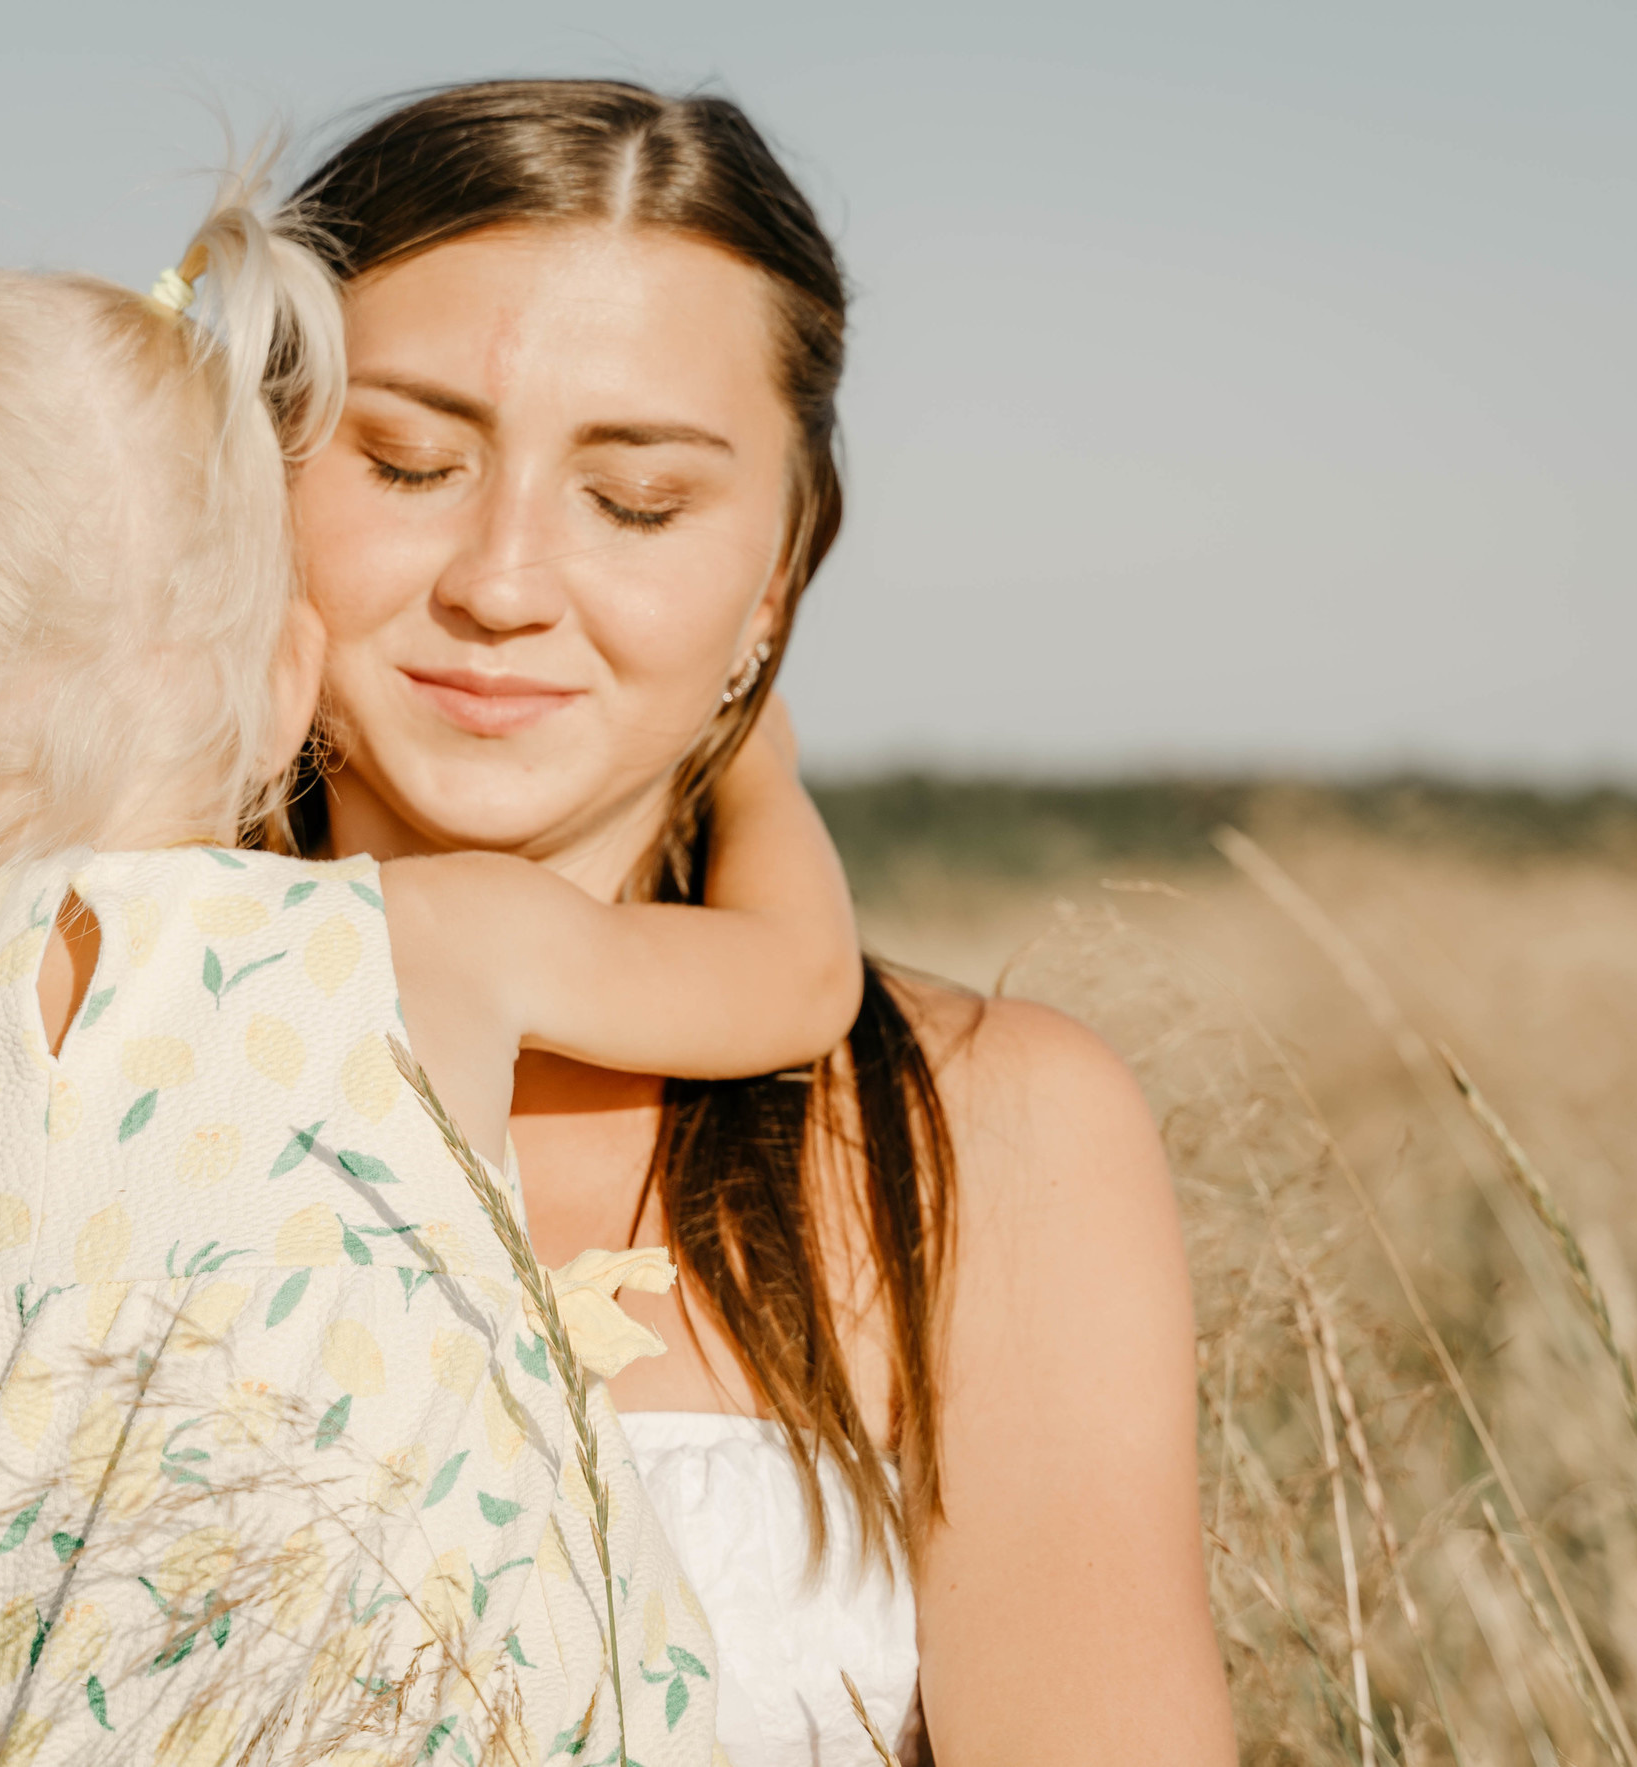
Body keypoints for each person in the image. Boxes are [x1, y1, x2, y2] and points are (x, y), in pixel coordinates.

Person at [0, 127, 871, 1767]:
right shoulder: (416, 944)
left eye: (635, 500)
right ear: (283, 674)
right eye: (406, 464)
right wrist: (763, 773)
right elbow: (799, 983)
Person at [280, 79, 1241, 1765]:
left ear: (778, 574)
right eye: (409, 462)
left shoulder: (989, 1135)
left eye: (637, 501)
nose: (501, 582)